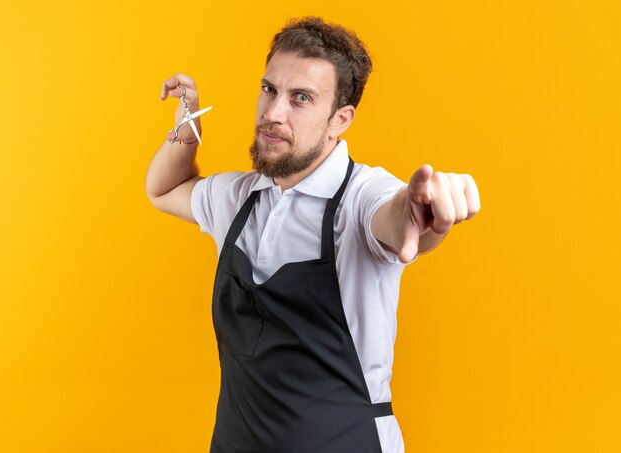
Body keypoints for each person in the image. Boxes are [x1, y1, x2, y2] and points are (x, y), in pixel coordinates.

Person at [146, 16, 480, 453]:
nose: (273, 113)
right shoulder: (241, 198)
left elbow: (397, 220)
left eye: (300, 98)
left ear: (340, 119)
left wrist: (423, 210)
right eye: (269, 90)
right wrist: (186, 124)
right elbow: (164, 189)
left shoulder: (361, 196)